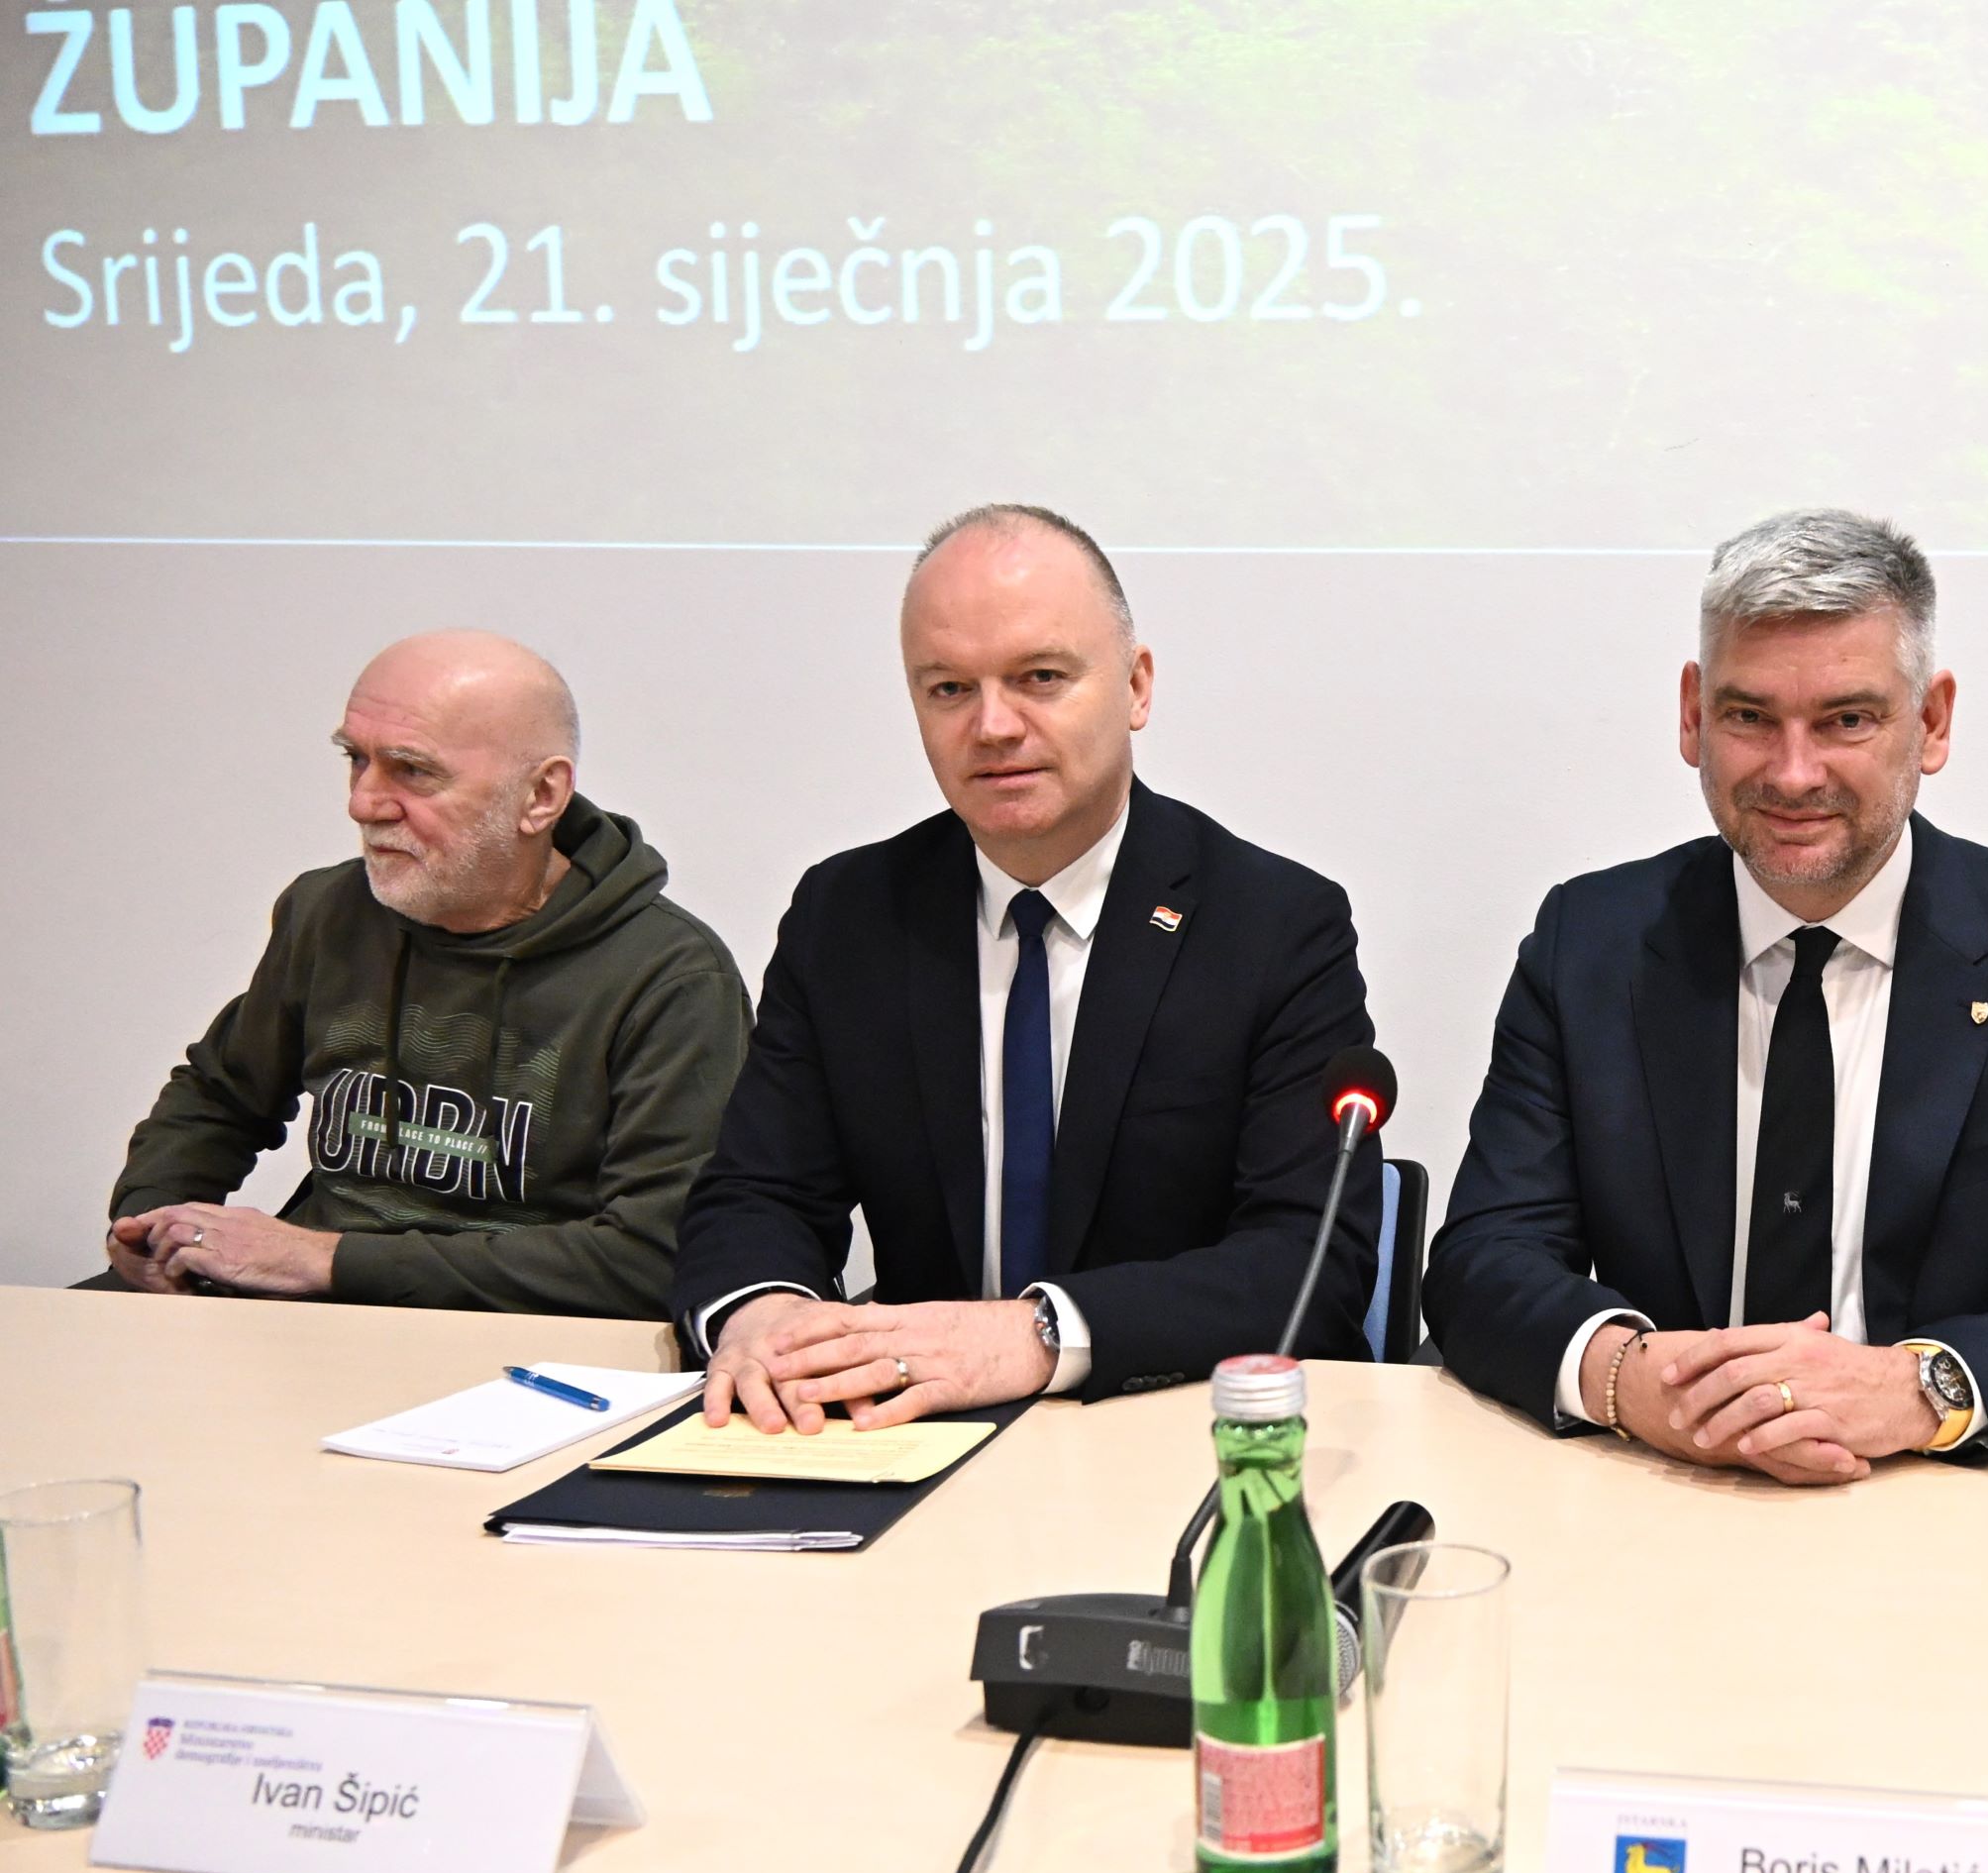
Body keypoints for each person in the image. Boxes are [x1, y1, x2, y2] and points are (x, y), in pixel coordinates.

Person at [1422, 509, 1988, 1483]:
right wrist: (1634, 1378)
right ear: (1692, 715)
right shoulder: (1590, 942)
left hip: (1951, 1499)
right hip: (1663, 1486)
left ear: (1930, 723)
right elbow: (1485, 1258)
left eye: (1846, 720)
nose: (1793, 775)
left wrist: (1919, 1390)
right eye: (1749, 717)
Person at [673, 504, 1381, 1430]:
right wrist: (763, 1314)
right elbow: (759, 1193)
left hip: (1165, 1426)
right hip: (907, 1436)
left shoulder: (1275, 925)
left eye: (1040, 677)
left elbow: (1308, 1263)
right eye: (949, 689)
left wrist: (1042, 1333)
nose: (993, 725)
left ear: (1136, 686)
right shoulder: (848, 915)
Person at [100, 631, 750, 1316]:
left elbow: (653, 1256)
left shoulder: (671, 976)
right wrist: (150, 1217)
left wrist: (327, 1260)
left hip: (521, 1335)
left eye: (412, 770)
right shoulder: (328, 912)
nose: (363, 803)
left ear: (540, 795)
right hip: (307, 1310)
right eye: (356, 759)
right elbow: (221, 1093)